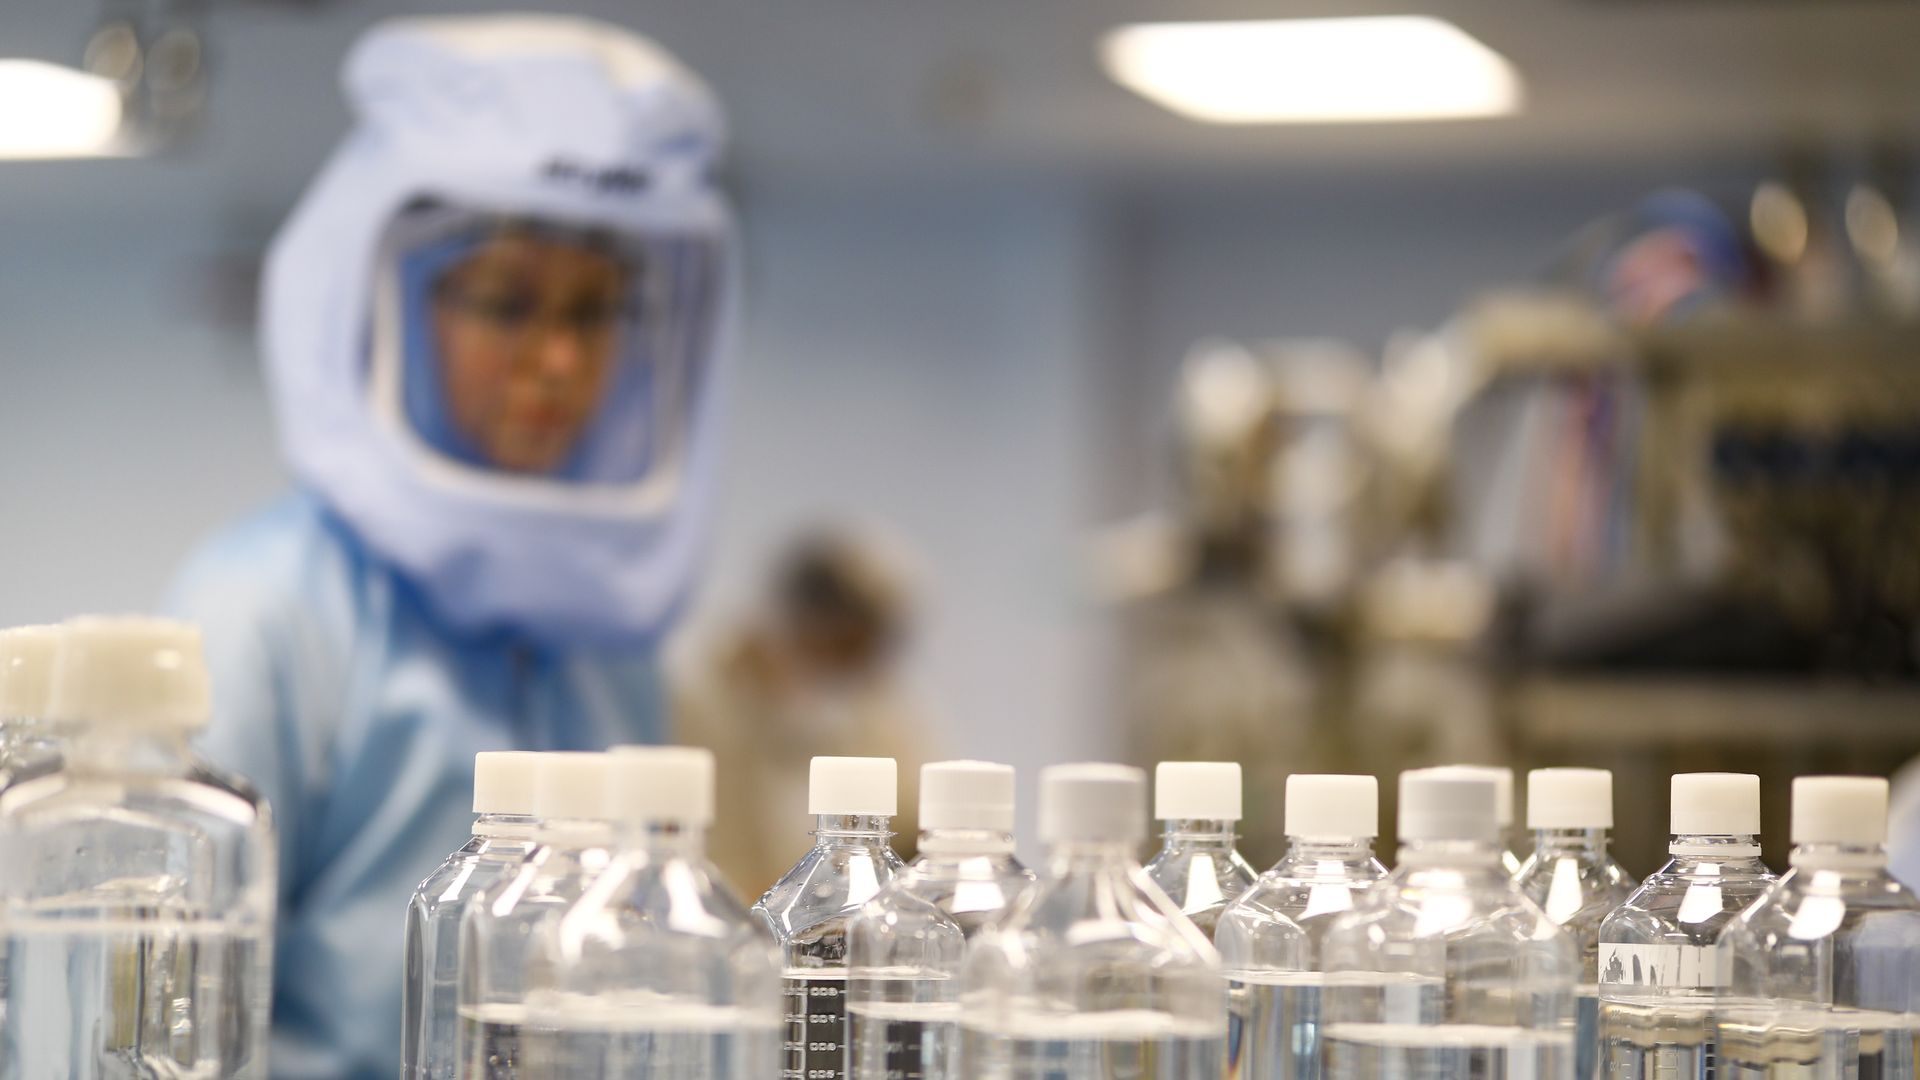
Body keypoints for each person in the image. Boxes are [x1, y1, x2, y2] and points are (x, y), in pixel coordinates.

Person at [163, 15, 732, 1079]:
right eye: (507, 302)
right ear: (387, 308)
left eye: (596, 311)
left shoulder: (604, 628)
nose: (559, 360)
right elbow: (167, 1017)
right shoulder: (266, 607)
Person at [671, 527, 934, 898]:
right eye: (841, 647)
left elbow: (915, 828)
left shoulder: (879, 712)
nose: (851, 671)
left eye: (865, 654)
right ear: (798, 622)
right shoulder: (699, 703)